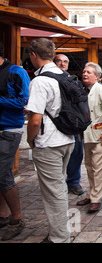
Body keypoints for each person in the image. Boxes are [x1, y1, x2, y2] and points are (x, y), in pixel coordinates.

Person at [25, 38, 75, 243]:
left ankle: (59, 237)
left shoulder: (40, 81)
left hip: (49, 142)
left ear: (34, 55)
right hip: (67, 138)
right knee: (59, 188)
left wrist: (30, 140)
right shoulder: (65, 75)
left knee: (53, 192)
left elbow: (35, 120)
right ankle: (61, 231)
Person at [76, 62, 102, 213]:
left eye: (89, 72)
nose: (85, 74)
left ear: (97, 76)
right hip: (86, 135)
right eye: (84, 71)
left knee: (98, 168)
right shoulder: (83, 90)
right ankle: (90, 193)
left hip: (99, 135)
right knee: (89, 166)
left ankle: (96, 198)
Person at [0, 42, 30, 241]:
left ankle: (16, 218)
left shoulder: (16, 71)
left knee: (3, 174)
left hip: (9, 129)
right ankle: (3, 215)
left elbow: (25, 101)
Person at [53, 54, 85, 196]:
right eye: (59, 61)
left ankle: (73, 182)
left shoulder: (72, 80)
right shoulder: (49, 80)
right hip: (55, 123)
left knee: (76, 153)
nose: (62, 64)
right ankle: (59, 183)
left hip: (72, 123)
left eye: (65, 61)